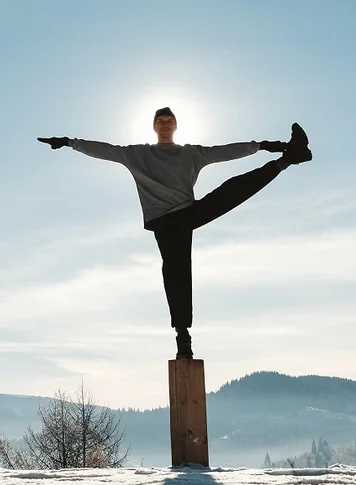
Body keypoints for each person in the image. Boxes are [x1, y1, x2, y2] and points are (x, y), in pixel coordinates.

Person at [38, 107, 312, 359]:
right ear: (154, 127)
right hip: (164, 222)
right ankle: (183, 335)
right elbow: (103, 149)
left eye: (169, 120)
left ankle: (289, 158)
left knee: (229, 192)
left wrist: (263, 146)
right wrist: (69, 142)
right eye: (160, 120)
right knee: (176, 271)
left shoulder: (190, 153)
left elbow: (225, 151)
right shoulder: (136, 154)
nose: (165, 124)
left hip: (188, 213)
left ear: (176, 126)